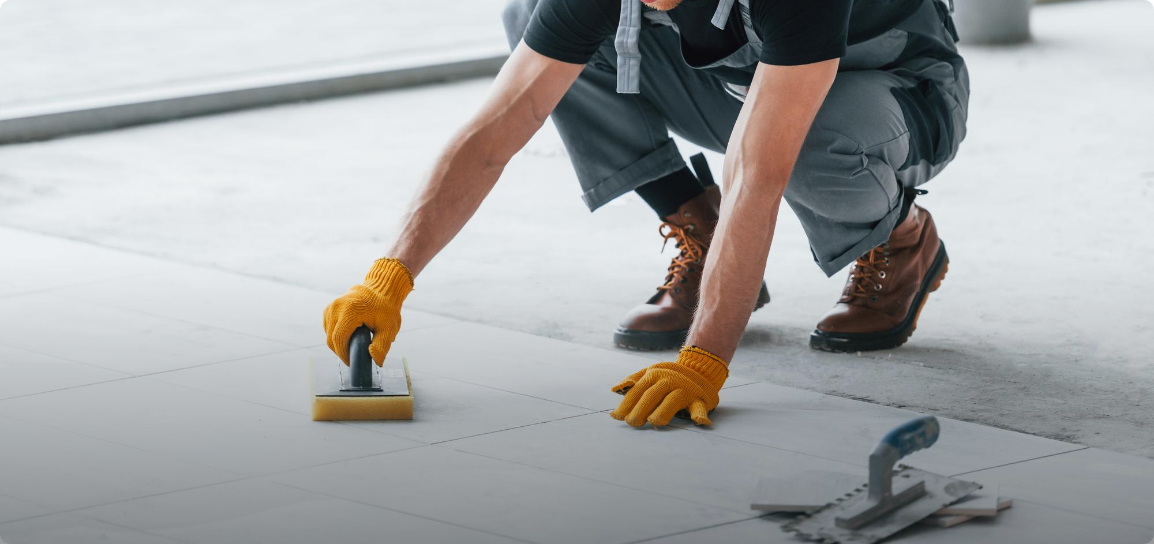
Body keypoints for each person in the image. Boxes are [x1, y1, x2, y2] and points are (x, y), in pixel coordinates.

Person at [322, 0, 968, 429]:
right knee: (540, 27)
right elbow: (501, 124)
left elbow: (757, 175)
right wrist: (390, 276)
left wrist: (704, 360)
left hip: (891, 95)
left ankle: (899, 237)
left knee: (810, 147)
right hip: (736, 83)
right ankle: (703, 235)